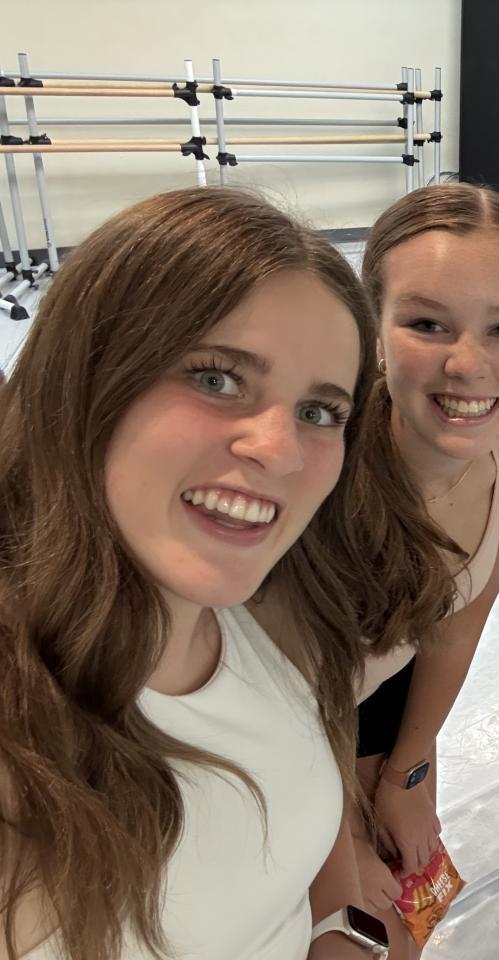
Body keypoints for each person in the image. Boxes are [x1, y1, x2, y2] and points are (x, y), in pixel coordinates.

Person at [0, 188, 392, 960]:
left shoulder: (275, 619)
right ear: (87, 376)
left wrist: (347, 934)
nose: (281, 450)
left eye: (319, 412)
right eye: (217, 378)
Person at [342, 184, 499, 956]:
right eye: (427, 323)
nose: (468, 365)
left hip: (382, 718)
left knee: (406, 926)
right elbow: (284, 690)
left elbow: (456, 629)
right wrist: (337, 840)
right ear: (373, 331)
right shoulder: (324, 471)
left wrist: (407, 773)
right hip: (273, 741)